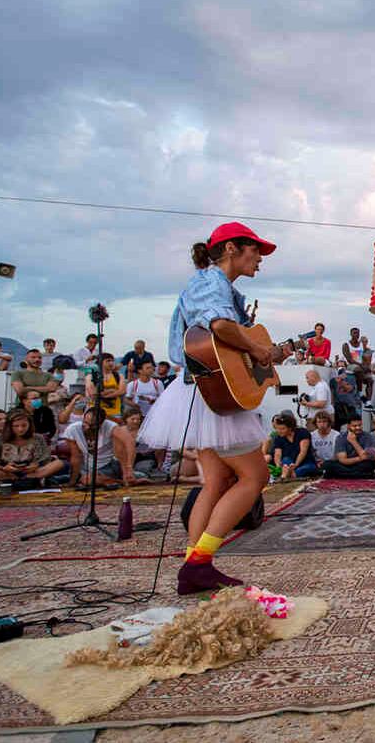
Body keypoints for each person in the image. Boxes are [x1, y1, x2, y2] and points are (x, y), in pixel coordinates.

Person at [136, 221, 287, 595]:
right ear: (232, 248)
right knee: (255, 477)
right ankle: (199, 563)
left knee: (217, 480)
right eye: (256, 251)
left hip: (203, 391)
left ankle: (194, 565)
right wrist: (255, 349)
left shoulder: (222, 287)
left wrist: (267, 353)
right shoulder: (210, 281)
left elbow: (229, 341)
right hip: (209, 394)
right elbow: (219, 326)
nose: (260, 259)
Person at [64, 406, 136, 488]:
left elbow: (129, 442)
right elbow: (76, 457)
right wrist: (72, 481)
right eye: (85, 422)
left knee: (87, 480)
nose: (86, 427)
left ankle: (123, 479)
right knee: (82, 479)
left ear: (101, 423)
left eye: (91, 425)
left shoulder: (111, 426)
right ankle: (119, 481)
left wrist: (129, 468)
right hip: (87, 468)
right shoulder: (73, 429)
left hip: (109, 464)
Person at [0, 409, 65, 487]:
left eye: (24, 425)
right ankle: (14, 480)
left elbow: (46, 459)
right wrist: (5, 468)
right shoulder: (0, 439)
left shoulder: (38, 438)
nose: (20, 429)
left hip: (32, 472)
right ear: (10, 426)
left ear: (29, 424)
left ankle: (28, 479)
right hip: (8, 473)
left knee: (59, 463)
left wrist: (36, 465)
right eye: (16, 426)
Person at [271, 413, 316, 479]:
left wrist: (296, 465)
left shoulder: (303, 432)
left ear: (290, 428)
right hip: (288, 463)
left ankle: (288, 474)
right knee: (286, 460)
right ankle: (287, 473)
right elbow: (277, 454)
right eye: (277, 429)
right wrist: (278, 465)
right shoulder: (278, 438)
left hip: (305, 462)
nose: (279, 431)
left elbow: (303, 452)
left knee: (306, 469)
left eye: (282, 429)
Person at [86, 353, 126, 423]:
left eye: (112, 361)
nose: (111, 363)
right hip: (95, 412)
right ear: (101, 362)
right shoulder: (91, 376)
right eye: (108, 361)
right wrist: (112, 390)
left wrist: (103, 395)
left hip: (114, 412)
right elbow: (93, 393)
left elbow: (122, 391)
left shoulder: (119, 376)